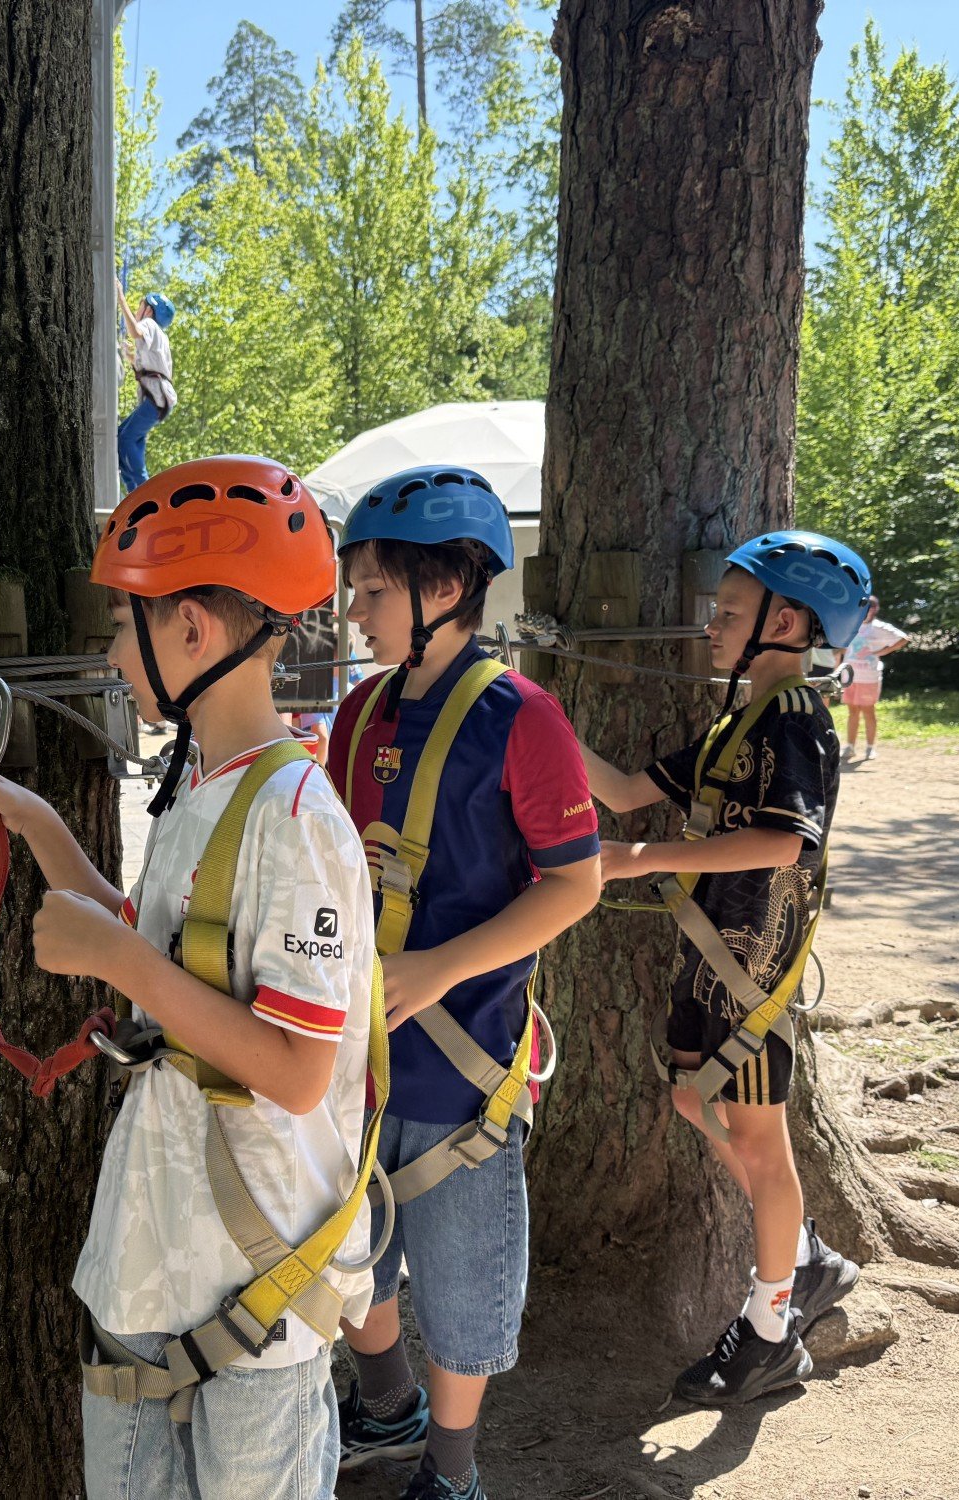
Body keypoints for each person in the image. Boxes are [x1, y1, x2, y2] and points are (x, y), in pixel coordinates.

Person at [0, 455, 379, 1498]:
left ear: (190, 629)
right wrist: (37, 826)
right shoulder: (202, 782)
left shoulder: (298, 821)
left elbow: (295, 1072)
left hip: (257, 1290)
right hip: (155, 1258)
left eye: (123, 623)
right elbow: (156, 947)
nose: (111, 654)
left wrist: (119, 959)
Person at [327, 466, 603, 1500]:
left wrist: (438, 968)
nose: (354, 612)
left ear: (443, 590)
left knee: (460, 1280)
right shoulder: (357, 714)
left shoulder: (522, 718)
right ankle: (384, 1402)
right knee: (352, 1254)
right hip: (355, 1055)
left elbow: (573, 884)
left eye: (372, 591)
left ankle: (450, 1470)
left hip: (465, 1063)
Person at [578, 531, 869, 1406]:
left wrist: (637, 860)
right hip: (711, 960)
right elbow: (623, 790)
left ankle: (772, 1332)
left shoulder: (795, 721)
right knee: (691, 1100)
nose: (712, 624)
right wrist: (531, 715)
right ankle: (805, 1255)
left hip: (753, 973)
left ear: (784, 623)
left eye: (730, 612)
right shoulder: (735, 723)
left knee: (761, 1147)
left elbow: (784, 841)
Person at [117, 276, 178, 495]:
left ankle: (144, 491)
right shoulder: (160, 335)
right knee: (123, 436)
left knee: (124, 438)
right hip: (158, 399)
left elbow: (135, 331)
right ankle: (134, 493)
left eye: (140, 306)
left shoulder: (149, 324)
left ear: (149, 311)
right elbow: (153, 366)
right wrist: (130, 357)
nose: (137, 310)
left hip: (156, 398)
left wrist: (120, 297)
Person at [838, 596, 909, 761]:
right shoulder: (851, 625)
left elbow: (903, 639)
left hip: (869, 677)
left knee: (868, 711)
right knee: (852, 711)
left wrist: (883, 651)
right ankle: (850, 746)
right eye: (862, 608)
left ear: (874, 610)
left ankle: (870, 748)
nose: (865, 612)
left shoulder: (879, 627)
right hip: (850, 676)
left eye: (869, 608)